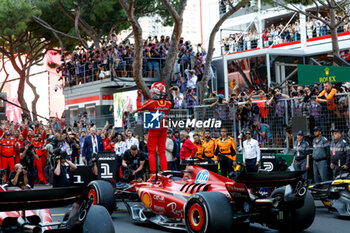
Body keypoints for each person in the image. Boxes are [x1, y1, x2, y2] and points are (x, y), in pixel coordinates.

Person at [130, 82, 172, 174]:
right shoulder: (168, 103)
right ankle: (164, 172)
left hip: (154, 128)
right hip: (164, 128)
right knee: (162, 151)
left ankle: (153, 173)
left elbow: (140, 107)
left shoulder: (151, 103)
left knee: (151, 152)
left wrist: (138, 96)